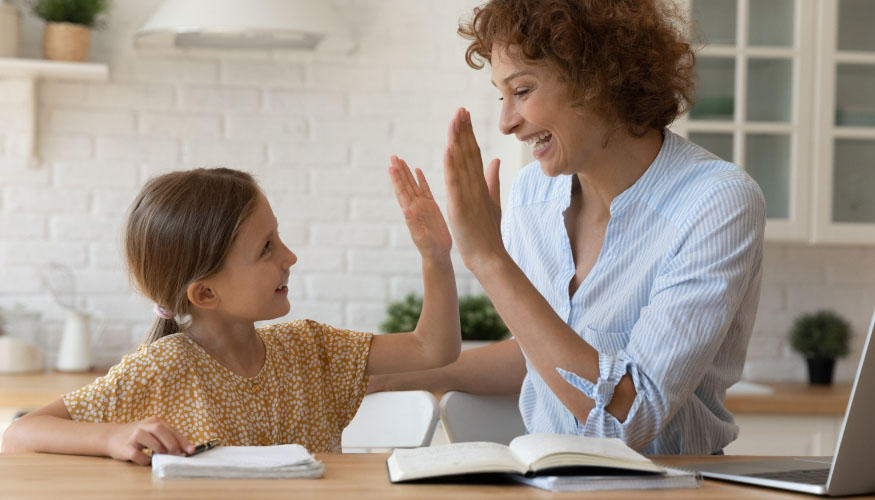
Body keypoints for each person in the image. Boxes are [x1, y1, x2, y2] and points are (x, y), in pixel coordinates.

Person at [370, 0, 766, 455]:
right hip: (546, 478)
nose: (506, 122)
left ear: (599, 78)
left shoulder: (716, 201)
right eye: (502, 96)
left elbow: (628, 419)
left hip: (673, 483)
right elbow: (543, 356)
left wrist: (488, 258)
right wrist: (396, 377)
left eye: (522, 90)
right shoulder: (531, 194)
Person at [2, 163, 460, 464]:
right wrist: (111, 438)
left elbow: (432, 348)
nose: (290, 256)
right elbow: (20, 433)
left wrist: (436, 257)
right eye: (266, 248)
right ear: (205, 293)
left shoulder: (312, 348)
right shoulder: (161, 369)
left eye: (278, 238)